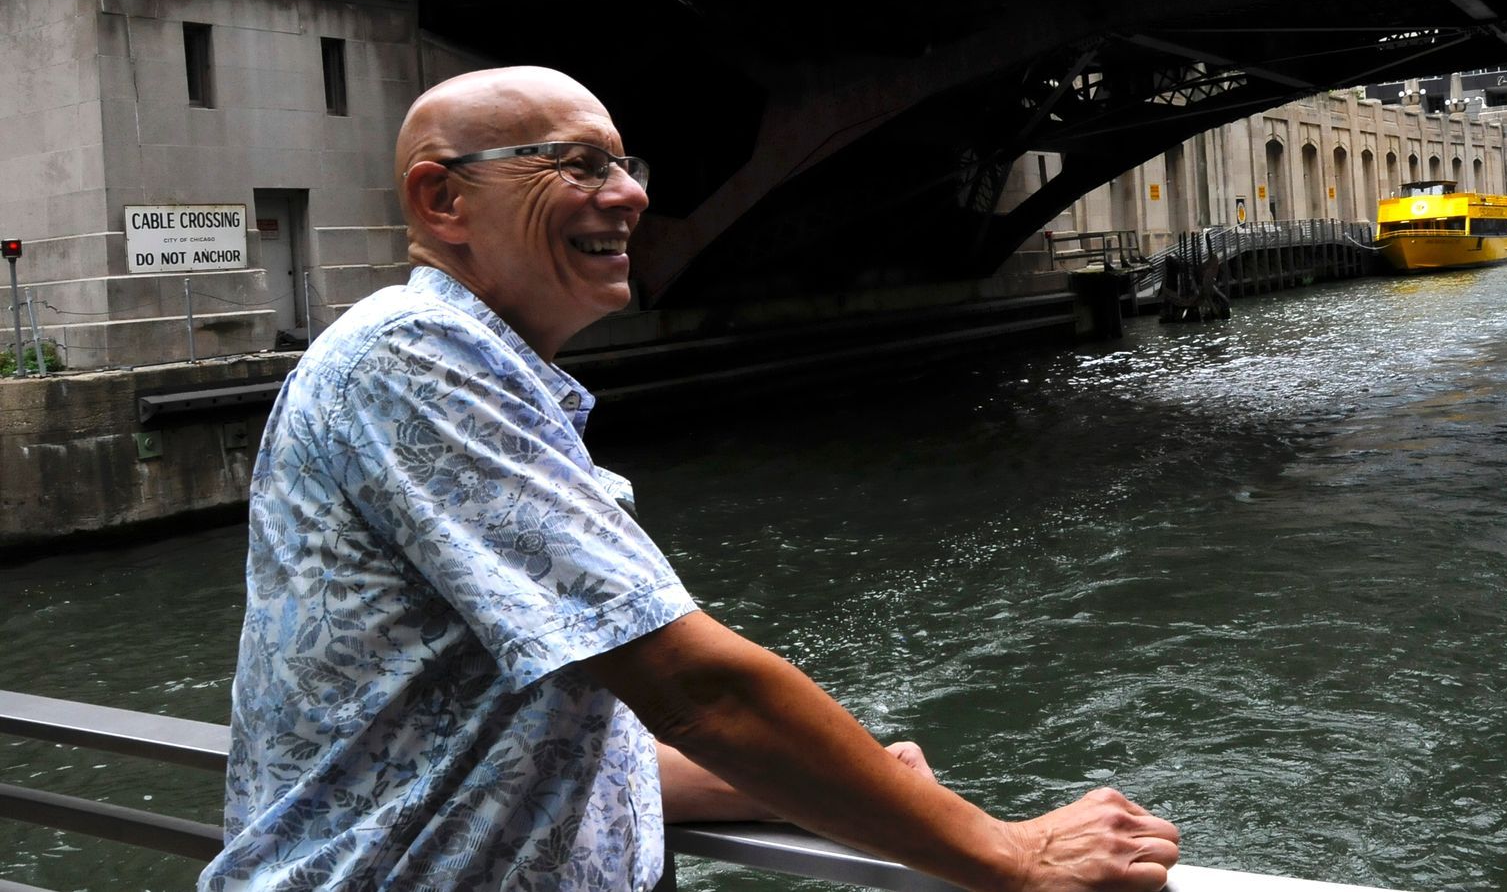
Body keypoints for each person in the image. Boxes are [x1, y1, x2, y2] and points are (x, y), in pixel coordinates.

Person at [201, 67, 1180, 891]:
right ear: (442, 200)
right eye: (580, 164)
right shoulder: (411, 364)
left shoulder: (480, 377)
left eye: (625, 166)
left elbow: (481, 729)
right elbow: (692, 684)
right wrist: (1009, 853)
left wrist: (770, 786)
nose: (629, 195)